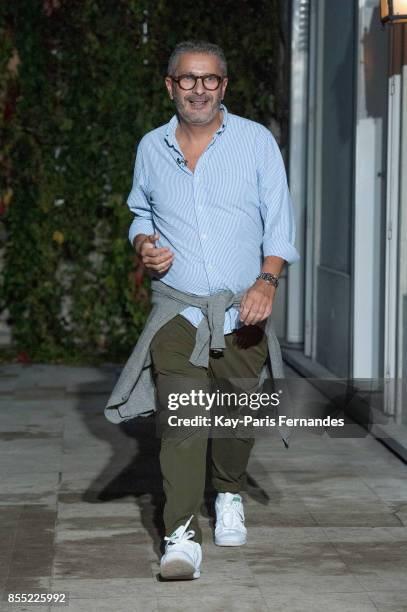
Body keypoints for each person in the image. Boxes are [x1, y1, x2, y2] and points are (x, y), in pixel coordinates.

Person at [127, 40, 300, 580]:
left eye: (209, 79)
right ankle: (180, 537)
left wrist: (267, 280)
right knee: (182, 420)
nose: (198, 88)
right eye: (187, 79)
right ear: (170, 86)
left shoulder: (255, 142)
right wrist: (142, 245)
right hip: (176, 311)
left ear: (223, 86)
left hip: (243, 309)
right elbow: (138, 212)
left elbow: (280, 221)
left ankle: (228, 491)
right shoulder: (151, 147)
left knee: (234, 417)